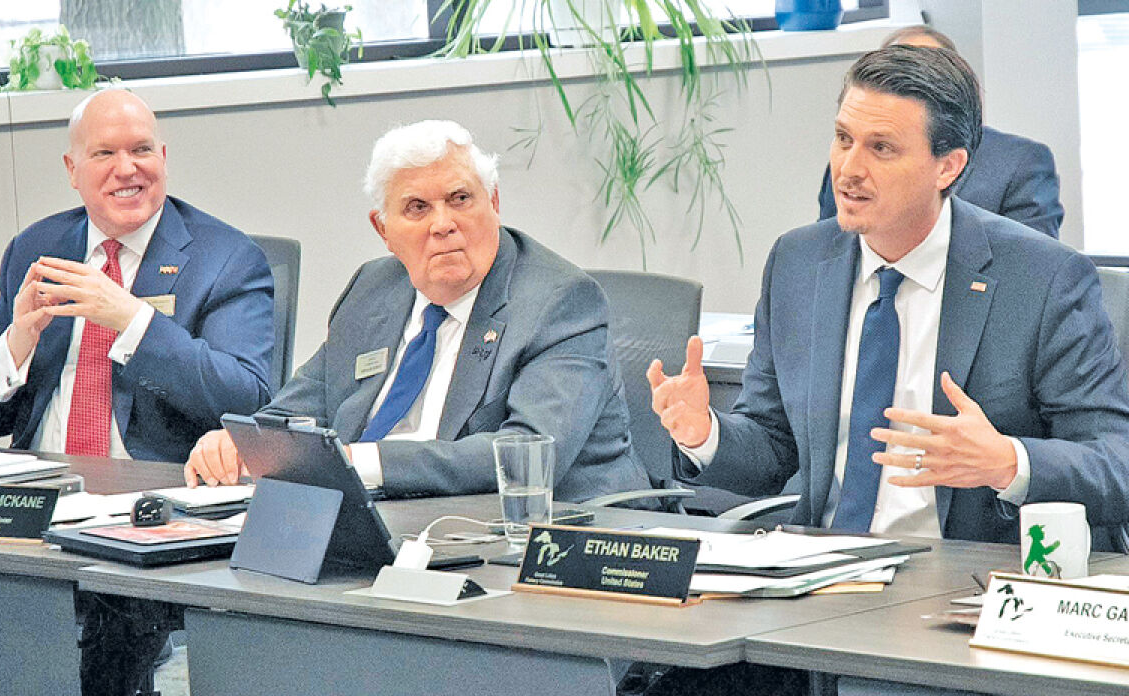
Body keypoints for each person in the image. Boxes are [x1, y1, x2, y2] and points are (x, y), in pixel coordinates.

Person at [648, 45, 1129, 548]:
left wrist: (1009, 461)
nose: (849, 168)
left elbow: (1116, 462)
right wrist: (705, 431)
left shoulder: (1041, 278)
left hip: (965, 576)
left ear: (948, 167)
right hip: (821, 568)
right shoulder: (798, 263)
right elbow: (774, 446)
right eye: (843, 139)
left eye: (881, 148)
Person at [186, 119, 652, 503]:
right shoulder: (372, 289)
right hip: (382, 520)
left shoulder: (560, 301)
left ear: (493, 203)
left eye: (460, 199)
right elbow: (302, 404)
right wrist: (244, 442)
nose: (443, 224)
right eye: (416, 208)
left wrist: (366, 461)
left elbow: (528, 453)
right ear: (384, 230)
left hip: (533, 535)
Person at [0, 89, 274, 464]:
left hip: (152, 496)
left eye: (141, 150)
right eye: (104, 153)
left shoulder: (227, 259)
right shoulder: (36, 249)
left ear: (163, 159)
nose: (126, 168)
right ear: (72, 169)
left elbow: (248, 402)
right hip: (41, 487)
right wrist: (16, 344)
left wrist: (133, 322)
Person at [815, 25, 1064, 238]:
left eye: (929, 75)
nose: (851, 167)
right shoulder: (849, 163)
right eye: (844, 139)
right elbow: (828, 252)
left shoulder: (1018, 163)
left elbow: (1033, 271)